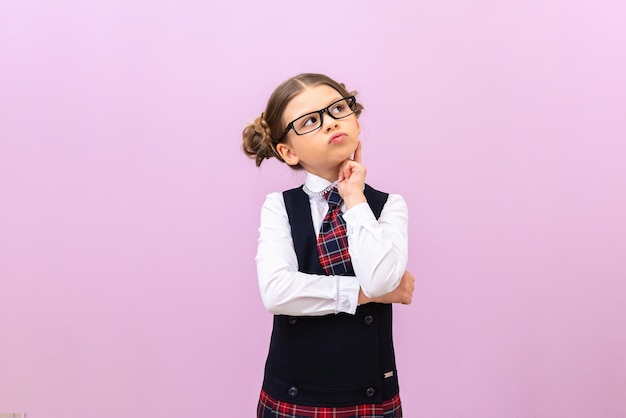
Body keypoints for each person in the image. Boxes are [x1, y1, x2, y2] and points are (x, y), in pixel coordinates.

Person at [242, 73, 415, 418]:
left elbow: (381, 279)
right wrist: (365, 295)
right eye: (309, 120)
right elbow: (277, 292)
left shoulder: (388, 205)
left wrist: (353, 197)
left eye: (337, 109)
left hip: (369, 393)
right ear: (287, 151)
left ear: (355, 120)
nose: (330, 123)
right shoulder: (279, 206)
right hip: (292, 394)